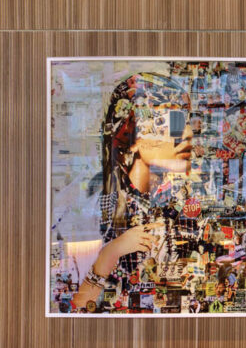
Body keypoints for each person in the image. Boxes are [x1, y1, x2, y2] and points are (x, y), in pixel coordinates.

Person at [70, 73, 197, 311]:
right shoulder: (99, 206)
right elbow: (75, 307)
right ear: (135, 135)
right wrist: (112, 252)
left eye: (187, 121)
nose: (187, 134)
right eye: (175, 124)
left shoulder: (175, 203)